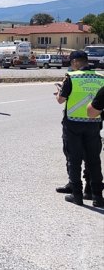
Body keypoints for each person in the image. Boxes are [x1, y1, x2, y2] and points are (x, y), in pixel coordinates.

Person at [54, 50, 103, 207]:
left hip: (73, 123)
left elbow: (61, 100)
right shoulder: (100, 78)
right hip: (94, 123)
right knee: (94, 160)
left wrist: (58, 91)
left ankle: (77, 195)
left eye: (71, 62)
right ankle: (96, 196)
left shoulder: (72, 77)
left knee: (74, 159)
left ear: (75, 62)